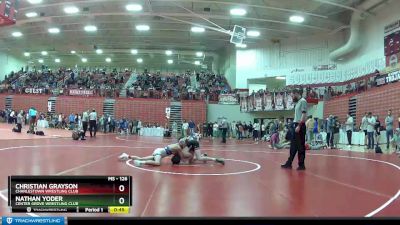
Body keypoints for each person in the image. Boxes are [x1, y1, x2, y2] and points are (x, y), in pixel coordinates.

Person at [281, 89, 307, 170]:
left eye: (292, 95)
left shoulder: (303, 101)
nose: (292, 97)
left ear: (296, 93)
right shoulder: (298, 102)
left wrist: (299, 125)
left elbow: (304, 114)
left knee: (300, 146)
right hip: (296, 125)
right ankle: (289, 163)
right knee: (293, 146)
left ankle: (301, 165)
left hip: (300, 126)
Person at [118, 139, 187, 167]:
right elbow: (182, 156)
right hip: (159, 153)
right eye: (184, 145)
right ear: (182, 144)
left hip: (158, 151)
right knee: (157, 163)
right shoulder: (178, 148)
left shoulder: (176, 145)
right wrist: (185, 162)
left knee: (142, 158)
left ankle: (126, 156)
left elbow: (175, 154)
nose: (185, 146)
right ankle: (140, 163)